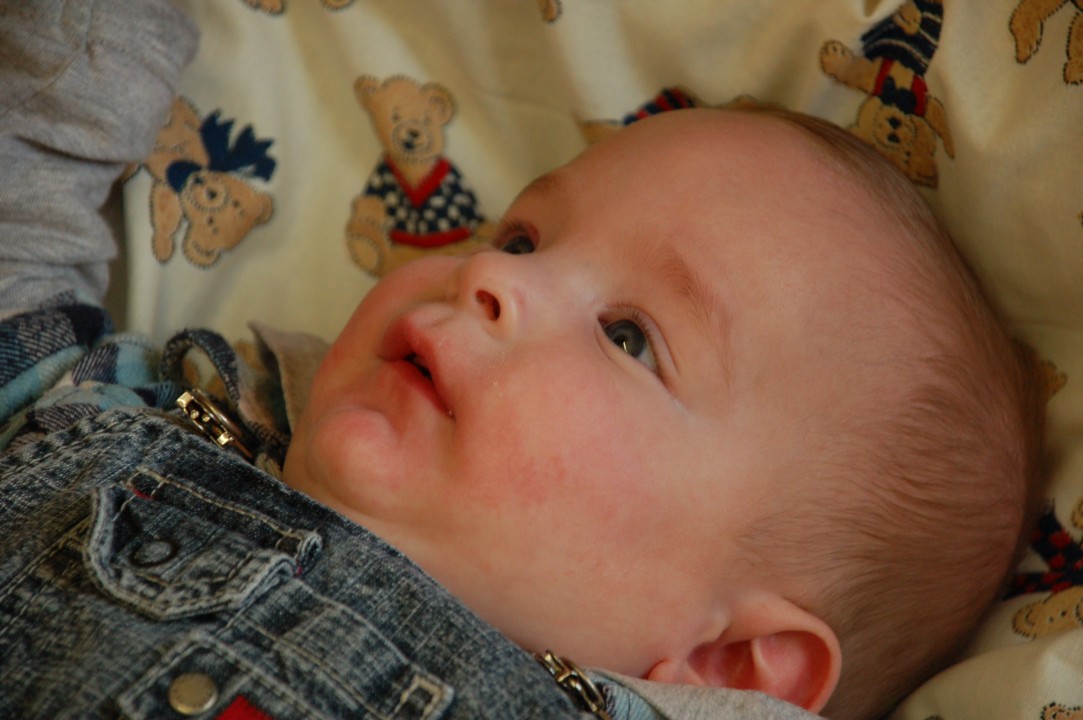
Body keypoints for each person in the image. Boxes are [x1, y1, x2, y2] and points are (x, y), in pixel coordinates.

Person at [0, 1, 1043, 719]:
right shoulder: (131, 421)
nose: (495, 277)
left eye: (628, 336)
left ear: (727, 666)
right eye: (523, 236)